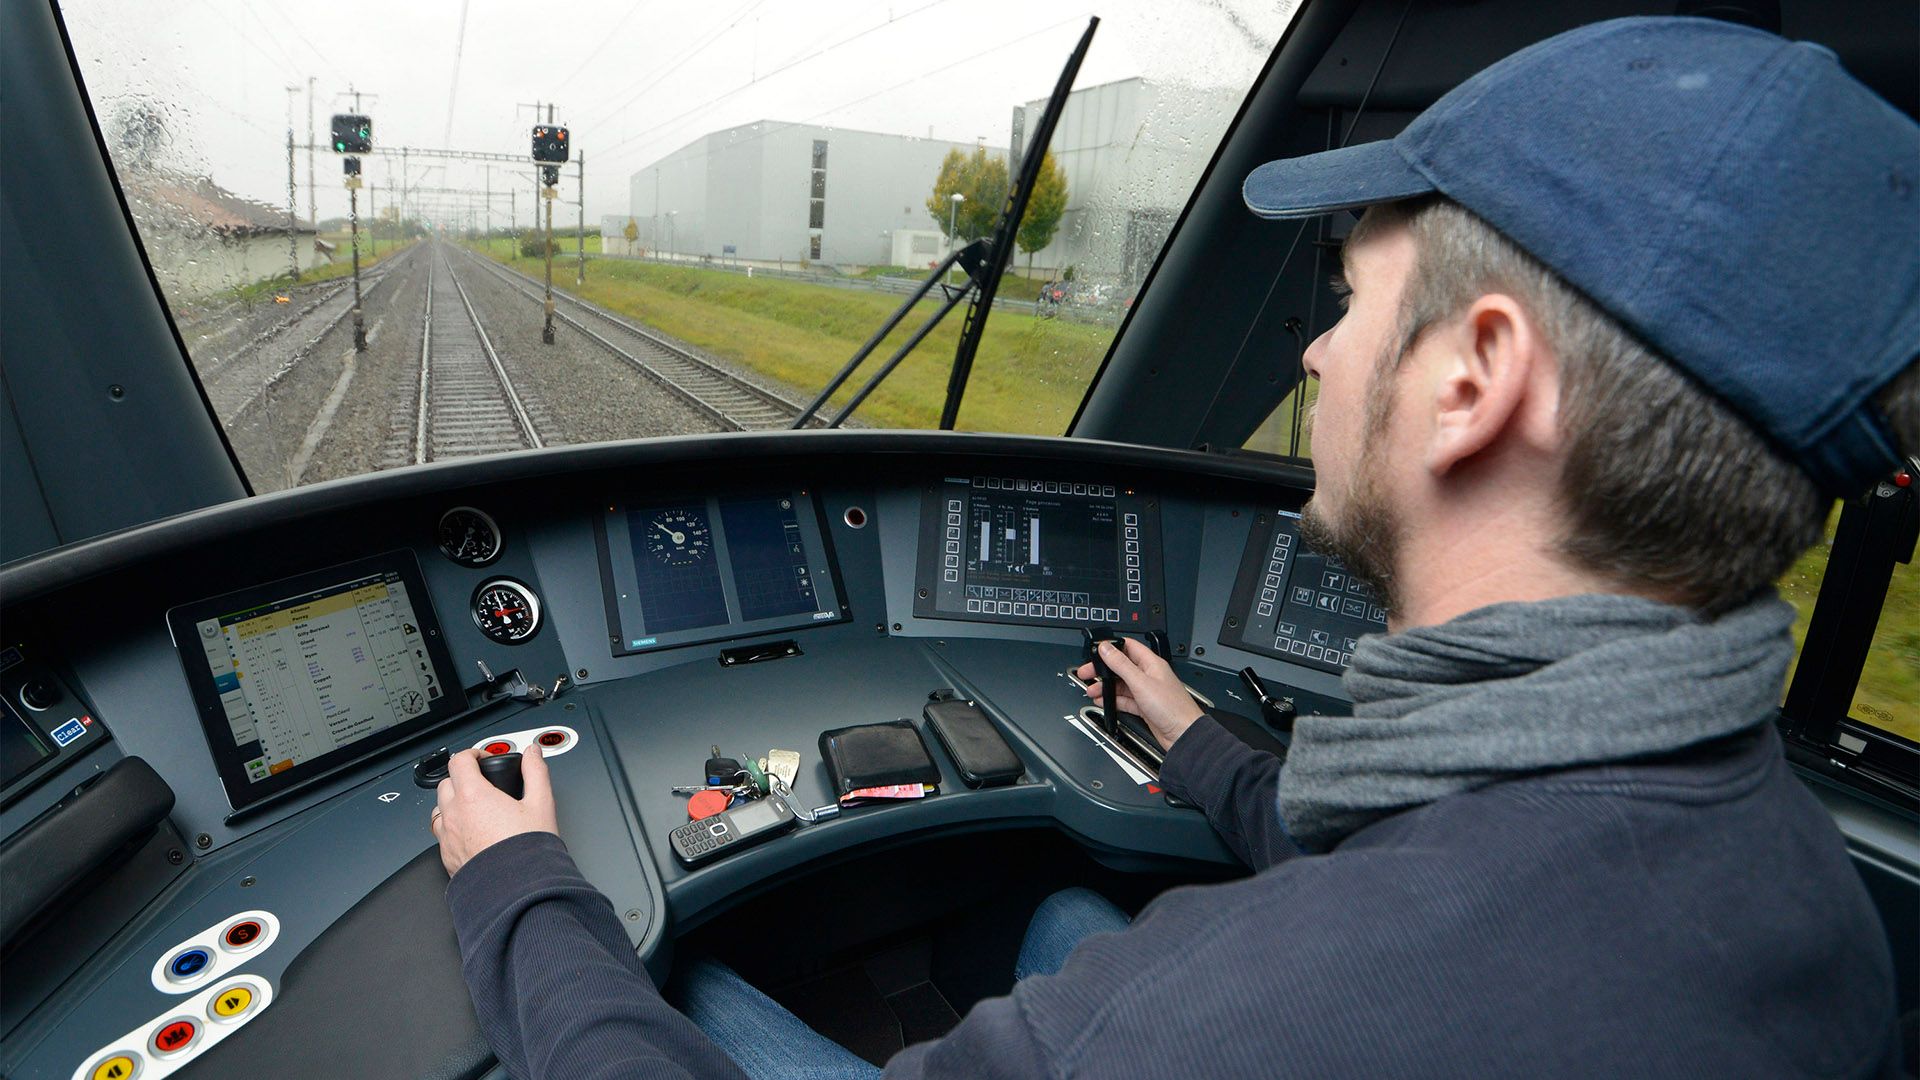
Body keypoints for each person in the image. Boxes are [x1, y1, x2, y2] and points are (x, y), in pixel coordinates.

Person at [430, 16, 1918, 1078]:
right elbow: (1424, 860)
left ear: (1473, 380)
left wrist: (523, 888)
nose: (1321, 360)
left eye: (1347, 303)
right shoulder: (1803, 887)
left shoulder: (1228, 1017)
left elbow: (1320, 960)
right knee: (1072, 908)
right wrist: (1196, 737)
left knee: (677, 969)